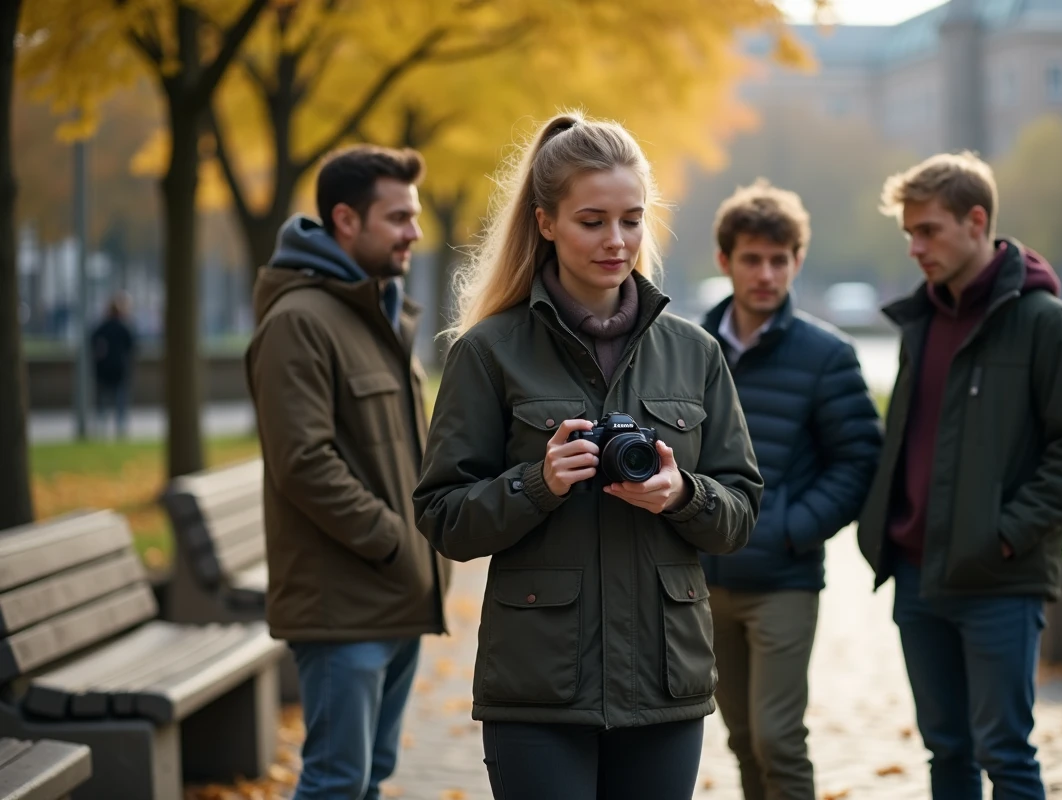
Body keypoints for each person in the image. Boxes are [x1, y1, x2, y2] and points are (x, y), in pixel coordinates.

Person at [412, 113, 764, 800]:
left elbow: (741, 511)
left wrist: (682, 494)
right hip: (538, 689)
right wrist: (536, 484)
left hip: (664, 683)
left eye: (632, 219)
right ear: (546, 222)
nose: (617, 240)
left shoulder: (694, 352)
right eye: (592, 221)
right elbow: (444, 518)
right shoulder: (488, 352)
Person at [856, 151, 1062, 800]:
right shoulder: (922, 321)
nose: (915, 248)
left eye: (928, 230)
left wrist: (1004, 535)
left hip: (998, 579)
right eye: (908, 233)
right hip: (917, 574)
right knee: (947, 751)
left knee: (1006, 753)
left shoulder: (1045, 323)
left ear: (976, 221)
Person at [245, 144, 450, 800]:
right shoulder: (299, 321)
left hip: (396, 595)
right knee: (335, 783)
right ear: (345, 220)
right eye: (398, 218)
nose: (414, 232)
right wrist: (394, 539)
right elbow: (303, 463)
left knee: (369, 779)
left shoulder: (379, 313)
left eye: (414, 216)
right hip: (344, 605)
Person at [699, 179, 882, 800]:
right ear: (725, 260)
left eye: (779, 260)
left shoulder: (826, 354)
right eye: (752, 259)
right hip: (703, 578)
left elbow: (858, 460)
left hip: (783, 581)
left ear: (797, 261)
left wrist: (788, 529)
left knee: (778, 739)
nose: (766, 274)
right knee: (742, 737)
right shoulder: (689, 348)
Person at [91, 291, 137, 438]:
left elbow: (92, 341)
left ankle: (101, 423)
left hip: (104, 368)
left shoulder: (102, 327)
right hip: (119, 368)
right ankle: (120, 425)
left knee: (103, 398)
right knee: (120, 399)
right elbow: (132, 346)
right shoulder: (124, 328)